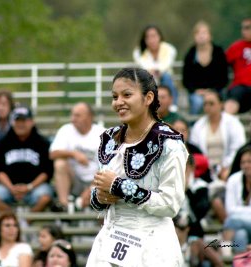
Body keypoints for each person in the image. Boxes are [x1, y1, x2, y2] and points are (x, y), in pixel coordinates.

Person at [87, 68, 188, 266]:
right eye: (115, 96)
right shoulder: (110, 139)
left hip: (151, 244)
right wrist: (99, 196)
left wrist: (119, 187)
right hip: (110, 240)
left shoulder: (168, 144)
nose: (118, 102)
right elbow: (99, 191)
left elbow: (170, 204)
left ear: (148, 97)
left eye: (127, 95)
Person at [0, 106, 53, 213]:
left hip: (35, 187)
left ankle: (26, 222)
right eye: (17, 121)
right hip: (9, 187)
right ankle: (13, 220)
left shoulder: (42, 143)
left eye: (24, 121)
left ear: (32, 122)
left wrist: (29, 187)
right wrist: (11, 188)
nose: (20, 124)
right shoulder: (3, 143)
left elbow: (46, 172)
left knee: (45, 197)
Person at [49, 102, 104, 211]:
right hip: (74, 180)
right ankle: (65, 205)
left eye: (77, 115)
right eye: (72, 115)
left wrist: (91, 188)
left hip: (96, 181)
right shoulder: (66, 130)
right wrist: (74, 154)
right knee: (59, 163)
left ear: (89, 117)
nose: (72, 119)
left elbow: (107, 167)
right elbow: (52, 153)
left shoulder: (102, 133)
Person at [174, 155, 223, 267]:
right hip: (175, 232)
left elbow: (200, 212)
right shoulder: (172, 187)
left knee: (197, 245)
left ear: (191, 168)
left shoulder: (200, 187)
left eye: (185, 167)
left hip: (195, 234)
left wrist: (187, 189)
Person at [189, 89, 246, 182]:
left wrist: (226, 166)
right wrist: (207, 167)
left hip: (230, 169)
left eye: (211, 103)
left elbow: (238, 148)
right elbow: (195, 151)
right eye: (205, 104)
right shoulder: (198, 126)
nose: (208, 107)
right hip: (205, 171)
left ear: (221, 104)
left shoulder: (233, 123)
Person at [182, 21, 228, 115]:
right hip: (197, 93)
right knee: (197, 102)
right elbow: (186, 80)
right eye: (198, 33)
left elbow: (224, 77)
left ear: (210, 36)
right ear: (194, 37)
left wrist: (211, 91)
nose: (201, 36)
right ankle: (193, 126)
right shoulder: (190, 55)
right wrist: (196, 90)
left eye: (204, 32)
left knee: (214, 101)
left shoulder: (218, 53)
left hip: (216, 91)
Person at [133, 25, 179, 108]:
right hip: (149, 81)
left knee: (166, 76)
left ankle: (172, 107)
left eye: (154, 36)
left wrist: (157, 71)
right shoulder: (139, 52)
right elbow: (144, 67)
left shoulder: (169, 49)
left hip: (165, 81)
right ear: (145, 40)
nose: (151, 40)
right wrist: (154, 71)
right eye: (148, 37)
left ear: (159, 37)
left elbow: (166, 64)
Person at [220, 145, 251, 257]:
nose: (246, 165)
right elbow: (230, 209)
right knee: (240, 235)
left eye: (249, 161)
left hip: (235, 221)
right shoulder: (233, 179)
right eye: (243, 162)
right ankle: (242, 264)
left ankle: (224, 247)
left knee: (232, 220)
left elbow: (233, 213)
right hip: (241, 225)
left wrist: (239, 213)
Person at [224, 17, 251, 114]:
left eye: (248, 28)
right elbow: (221, 65)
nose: (244, 31)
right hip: (241, 87)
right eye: (243, 28)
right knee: (232, 101)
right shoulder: (236, 47)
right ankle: (225, 124)